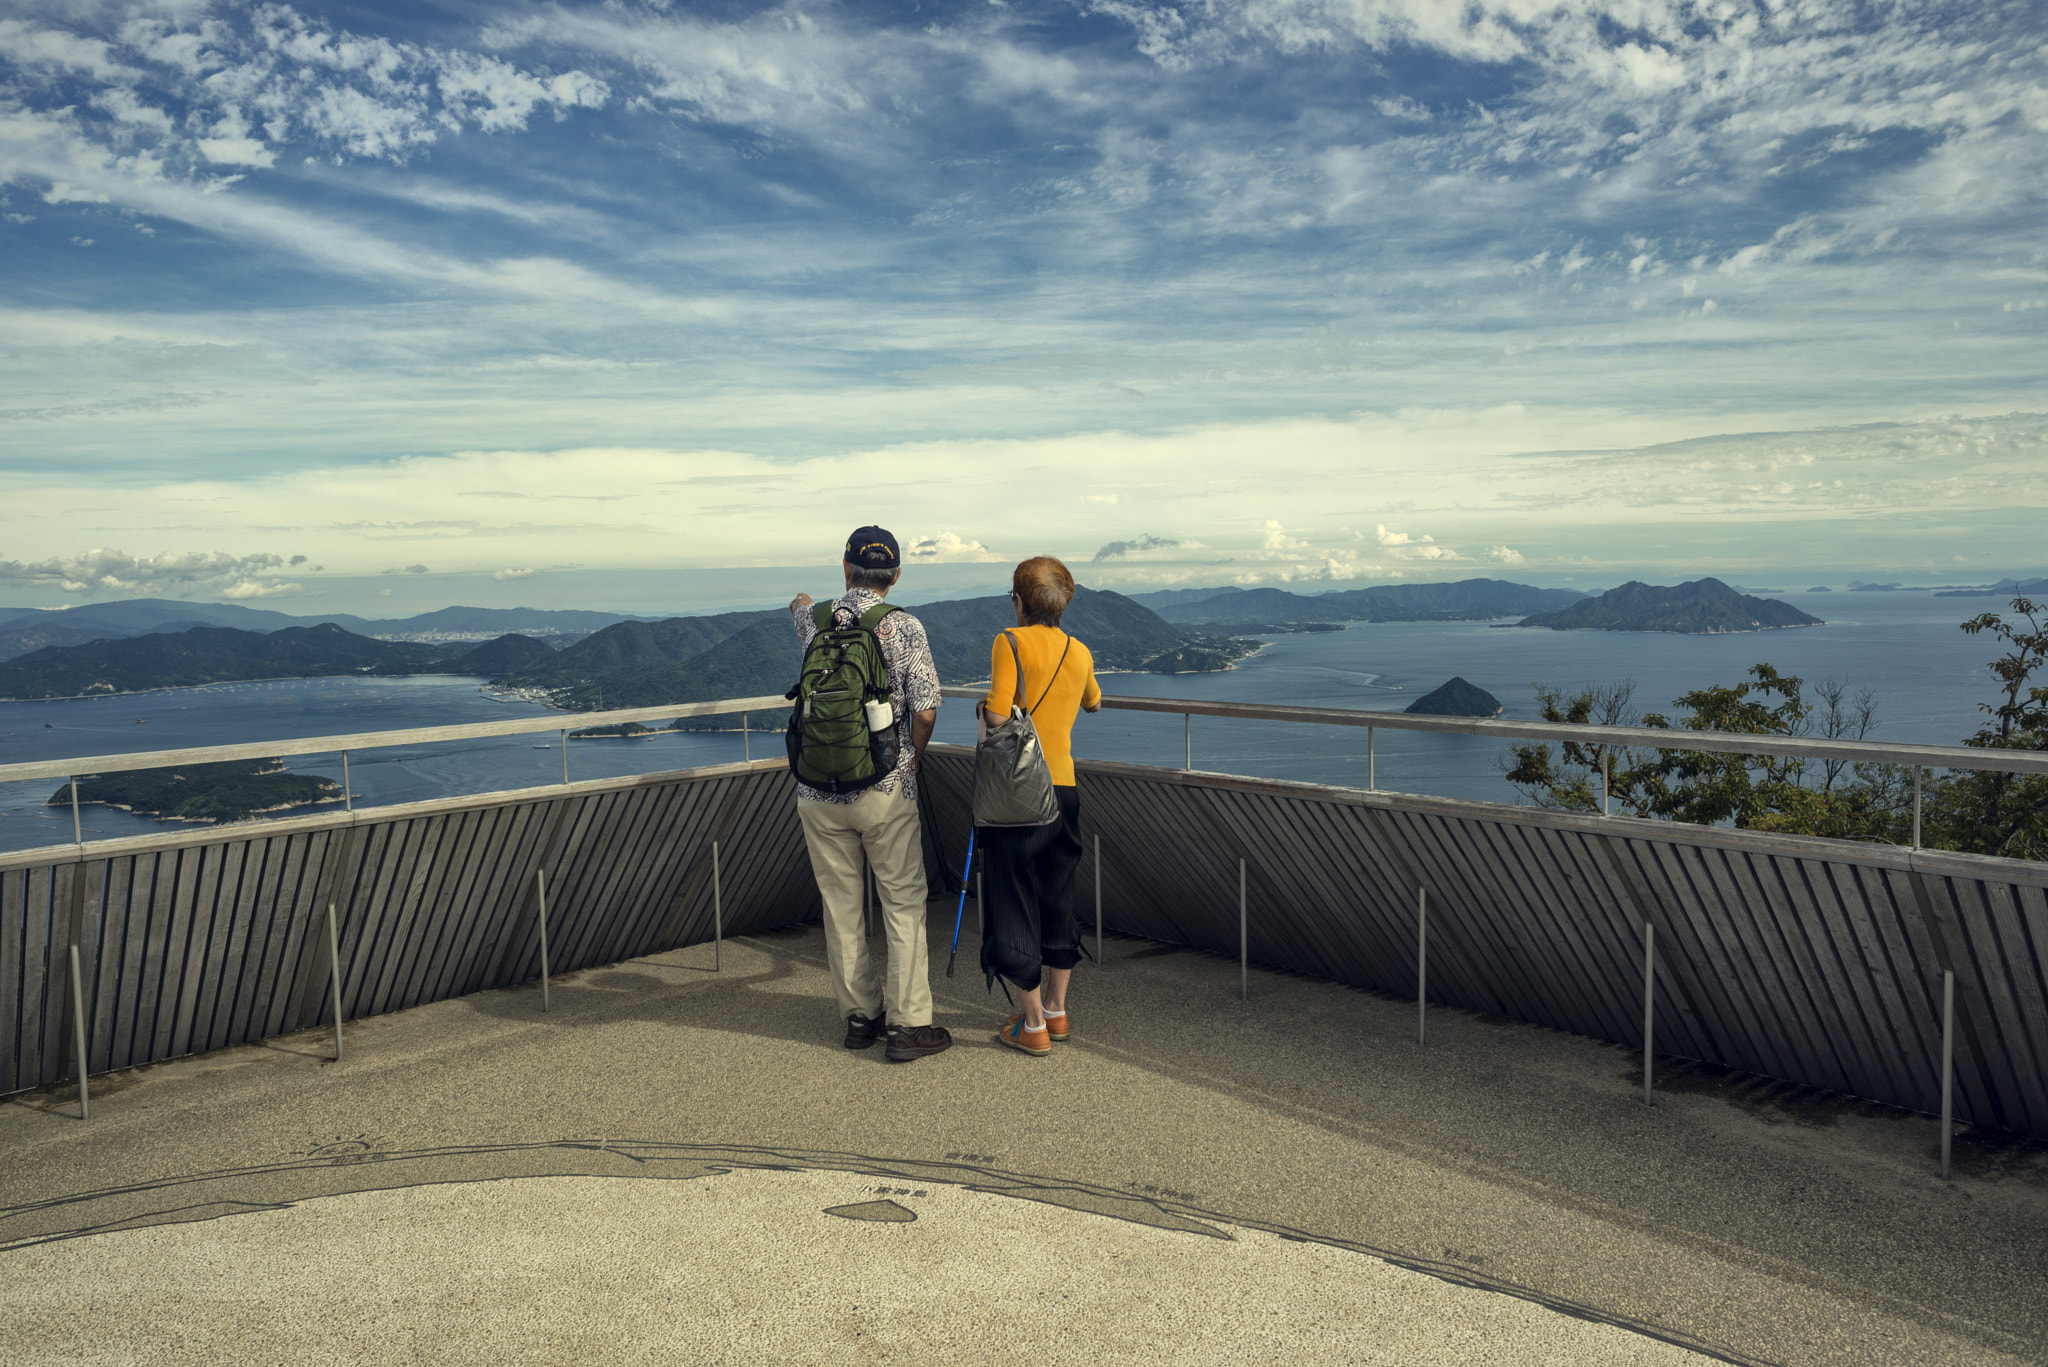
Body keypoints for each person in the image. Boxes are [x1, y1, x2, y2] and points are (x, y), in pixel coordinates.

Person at [789, 526, 951, 1063]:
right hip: (885, 787)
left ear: (845, 568)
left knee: (840, 908)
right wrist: (910, 760)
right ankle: (907, 1028)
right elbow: (926, 707)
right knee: (902, 904)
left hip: (816, 788)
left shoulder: (812, 624)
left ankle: (860, 1019)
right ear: (896, 575)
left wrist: (807, 602)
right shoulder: (903, 626)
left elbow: (800, 605)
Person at [978, 556, 1102, 1056]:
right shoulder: (1080, 649)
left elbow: (995, 711)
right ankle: (1057, 1010)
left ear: (1018, 601)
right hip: (1065, 788)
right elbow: (1094, 702)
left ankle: (1031, 1026)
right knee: (1058, 894)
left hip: (1020, 794)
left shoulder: (1008, 641)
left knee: (1011, 896)